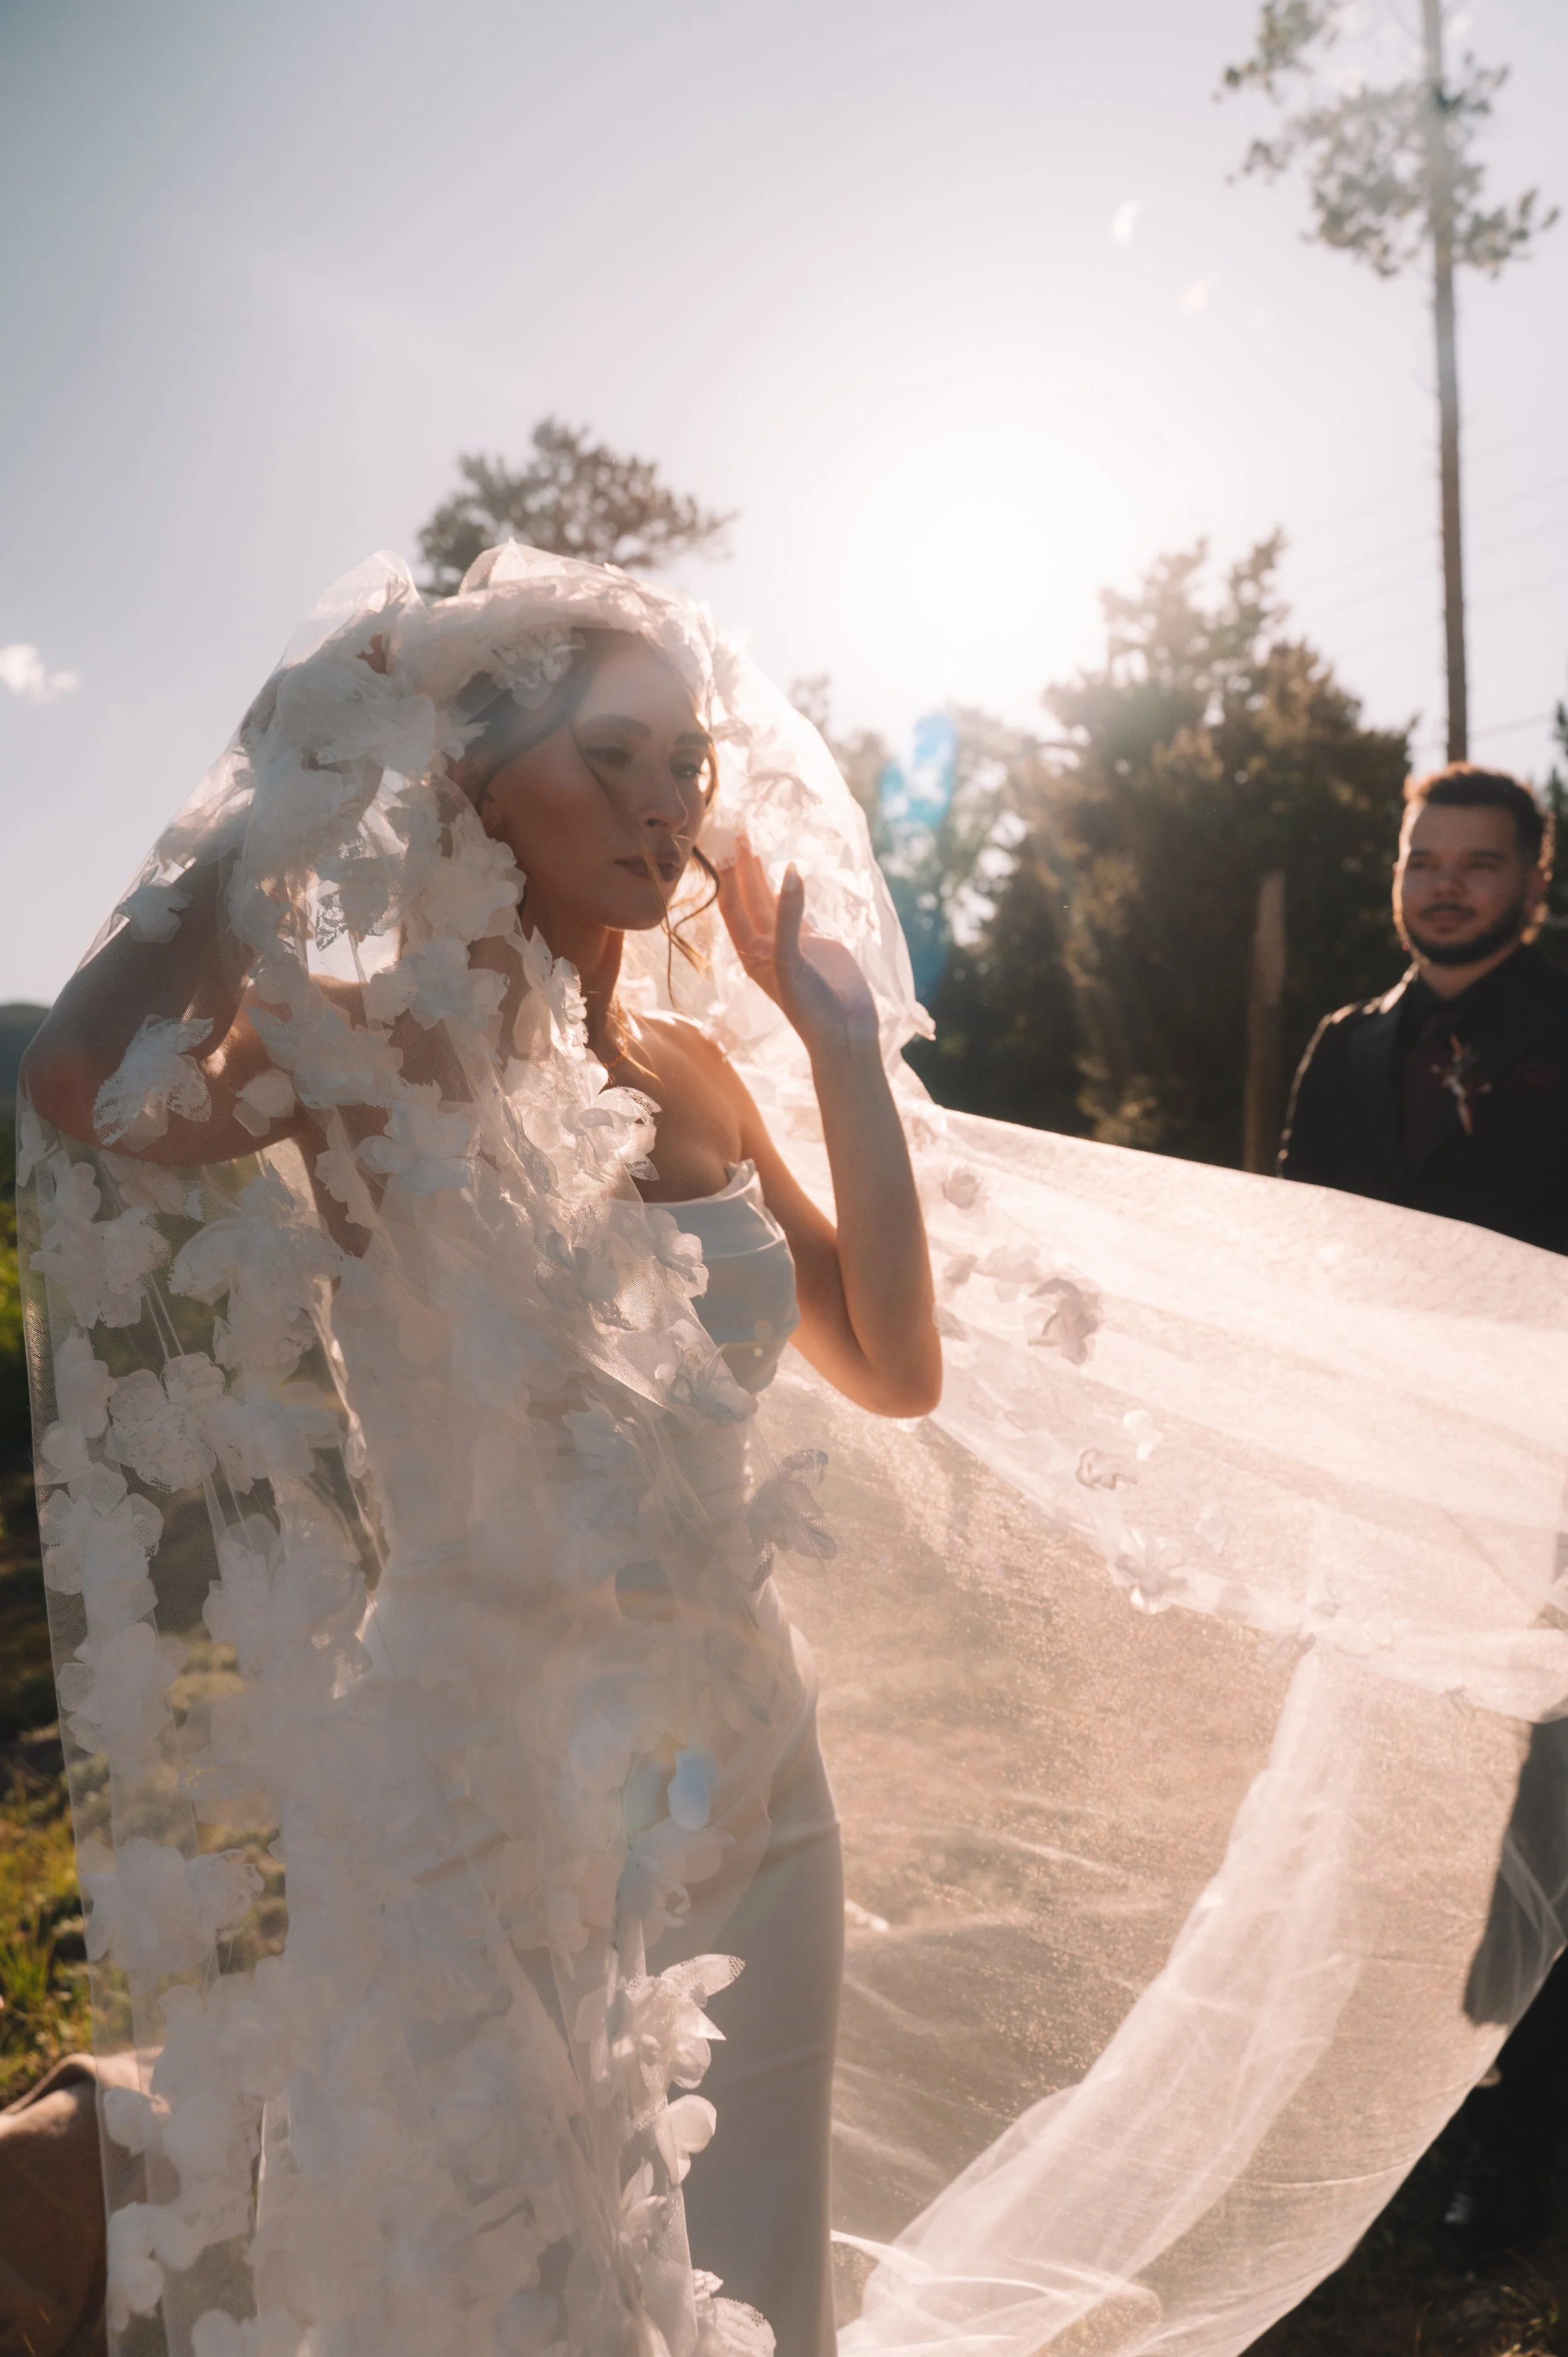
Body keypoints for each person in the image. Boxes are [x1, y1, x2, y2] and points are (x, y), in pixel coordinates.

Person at [17, 548, 1568, 2357]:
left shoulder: (693, 1068)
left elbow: (889, 1363)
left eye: (686, 759)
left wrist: (833, 1038)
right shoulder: (363, 1045)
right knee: (496, 2284)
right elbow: (84, 1083)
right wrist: (280, 760)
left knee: (754, 2286)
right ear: (472, 775)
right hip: (474, 1778)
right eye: (610, 753)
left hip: (750, 1766)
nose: (666, 799)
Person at [1279, 758, 1568, 2260]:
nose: (1443, 885)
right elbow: (1299, 1246)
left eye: (1476, 863)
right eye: (1421, 860)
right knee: (1414, 1803)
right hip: (1398, 1481)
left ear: (1531, 878)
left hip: (1555, 1479)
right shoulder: (1343, 1048)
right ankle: (1413, 2129)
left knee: (1546, 1807)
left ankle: (1516, 2157)